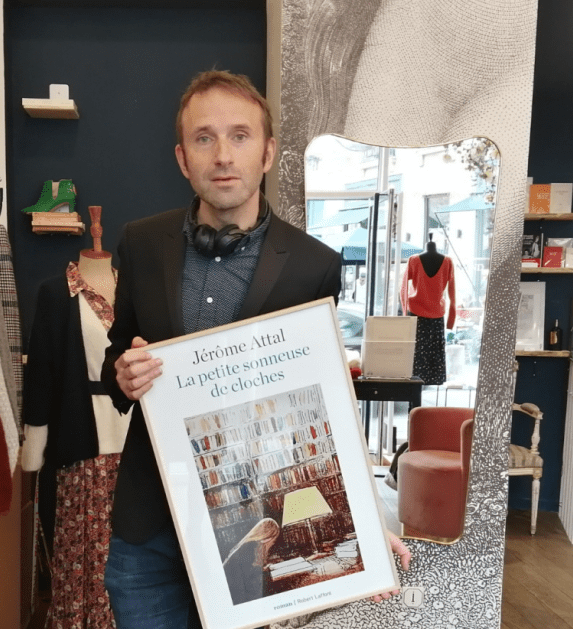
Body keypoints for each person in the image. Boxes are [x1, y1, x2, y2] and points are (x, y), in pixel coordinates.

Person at [100, 70, 410, 629]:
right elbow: (117, 356)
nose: (223, 155)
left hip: (254, 526)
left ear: (267, 153)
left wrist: (361, 521)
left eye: (239, 136)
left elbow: (321, 411)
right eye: (204, 138)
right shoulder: (141, 243)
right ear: (182, 158)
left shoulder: (314, 265)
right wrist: (123, 376)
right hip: (151, 528)